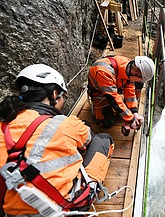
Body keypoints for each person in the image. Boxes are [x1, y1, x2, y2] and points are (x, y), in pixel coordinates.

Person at [0, 64, 114, 216]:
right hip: (62, 207)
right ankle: (91, 189)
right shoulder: (64, 123)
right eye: (63, 97)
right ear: (54, 94)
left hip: (12, 209)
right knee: (103, 139)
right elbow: (91, 138)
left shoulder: (3, 126)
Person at [87, 55, 155, 129]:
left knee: (138, 84)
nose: (138, 80)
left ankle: (124, 109)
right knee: (107, 123)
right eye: (140, 78)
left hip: (114, 85)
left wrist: (134, 111)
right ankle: (99, 109)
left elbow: (129, 88)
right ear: (136, 73)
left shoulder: (130, 66)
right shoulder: (104, 72)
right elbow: (113, 98)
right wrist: (131, 120)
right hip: (100, 93)